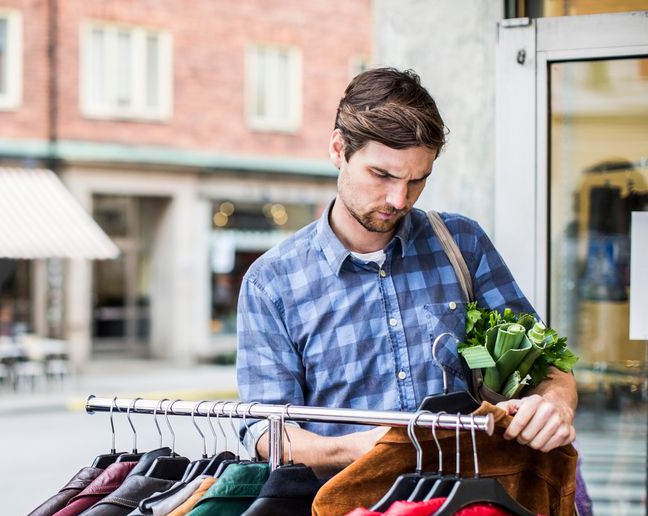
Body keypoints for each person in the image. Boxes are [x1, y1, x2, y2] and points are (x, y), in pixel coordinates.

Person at [237, 67, 577, 476]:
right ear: (338, 149)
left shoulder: (462, 243)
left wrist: (555, 403)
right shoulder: (271, 282)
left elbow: (548, 365)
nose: (399, 199)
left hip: (468, 510)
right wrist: (370, 447)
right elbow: (267, 432)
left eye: (418, 180)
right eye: (381, 175)